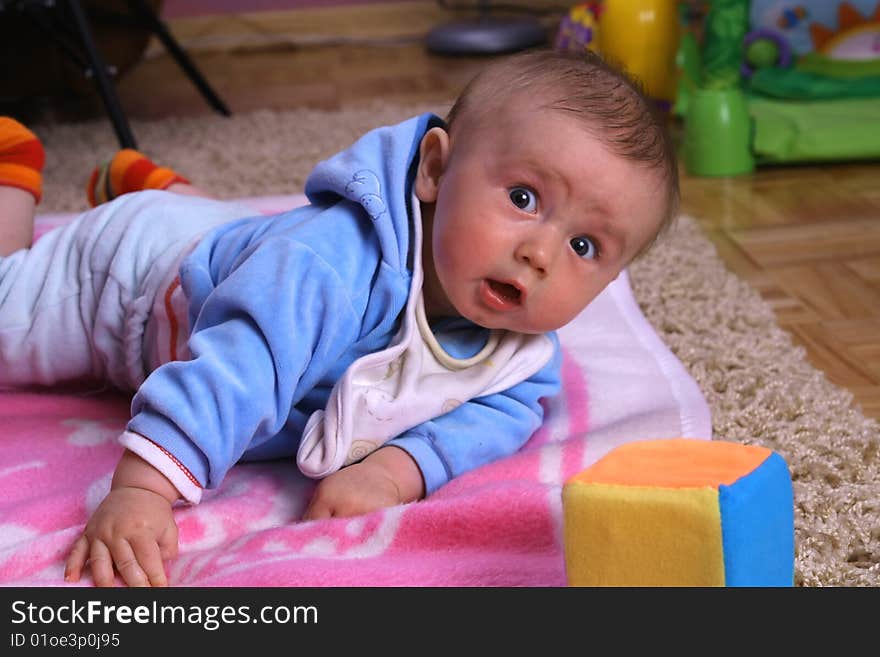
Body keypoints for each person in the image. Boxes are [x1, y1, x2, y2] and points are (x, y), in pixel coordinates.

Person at [0, 49, 679, 587]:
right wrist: (143, 489)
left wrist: (396, 470)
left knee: (255, 246)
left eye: (584, 246)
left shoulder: (520, 356)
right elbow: (243, 363)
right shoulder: (333, 266)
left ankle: (157, 183)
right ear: (436, 170)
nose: (539, 254)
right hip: (133, 285)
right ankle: (15, 179)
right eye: (525, 196)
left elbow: (496, 415)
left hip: (240, 248)